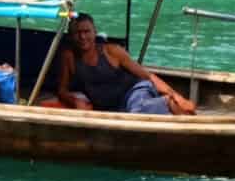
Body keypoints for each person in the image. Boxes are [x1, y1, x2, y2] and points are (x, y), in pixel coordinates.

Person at [46, 11, 196, 115]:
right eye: (77, 33)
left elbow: (148, 76)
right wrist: (75, 101)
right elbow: (62, 90)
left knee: (137, 110)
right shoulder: (69, 57)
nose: (83, 37)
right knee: (131, 113)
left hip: (134, 92)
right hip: (111, 107)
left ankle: (169, 104)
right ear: (71, 36)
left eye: (87, 32)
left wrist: (178, 97)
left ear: (94, 32)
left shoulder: (112, 51)